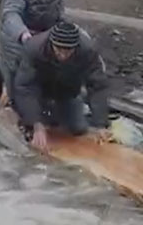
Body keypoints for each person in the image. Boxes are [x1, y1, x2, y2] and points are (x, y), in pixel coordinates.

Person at [13, 21, 112, 149]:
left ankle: (55, 114)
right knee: (32, 129)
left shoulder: (87, 51)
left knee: (78, 129)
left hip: (67, 92)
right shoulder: (34, 48)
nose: (63, 55)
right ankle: (32, 118)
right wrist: (36, 124)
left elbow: (98, 86)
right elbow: (25, 87)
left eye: (68, 51)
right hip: (39, 92)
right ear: (51, 43)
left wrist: (101, 124)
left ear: (76, 47)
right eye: (59, 50)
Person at [0, 0, 66, 91]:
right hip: (17, 39)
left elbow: (58, 3)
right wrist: (22, 33)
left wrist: (61, 24)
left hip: (44, 35)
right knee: (16, 79)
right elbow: (10, 14)